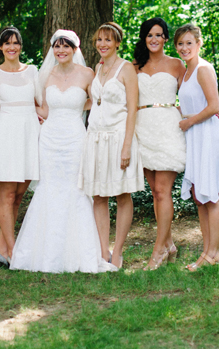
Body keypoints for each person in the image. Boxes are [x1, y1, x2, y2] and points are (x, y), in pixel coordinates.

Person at [11, 30, 110, 273]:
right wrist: (27, 111)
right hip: (49, 140)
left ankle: (81, 253)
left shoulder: (88, 74)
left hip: (76, 138)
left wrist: (79, 107)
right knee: (49, 189)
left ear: (75, 49)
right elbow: (45, 109)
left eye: (66, 46)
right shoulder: (46, 74)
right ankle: (42, 254)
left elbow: (97, 100)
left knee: (75, 189)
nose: (61, 50)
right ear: (53, 50)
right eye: (57, 46)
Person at [78, 22, 143, 270]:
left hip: (118, 138)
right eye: (99, 40)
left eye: (108, 40)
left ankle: (118, 251)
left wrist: (126, 147)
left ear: (117, 42)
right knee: (99, 196)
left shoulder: (126, 69)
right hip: (95, 137)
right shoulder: (99, 67)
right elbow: (95, 102)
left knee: (122, 194)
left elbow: (132, 109)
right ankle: (103, 250)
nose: (102, 44)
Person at [175, 22, 219, 271]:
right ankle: (208, 252)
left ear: (199, 44)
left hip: (207, 136)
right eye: (180, 43)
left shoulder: (203, 68)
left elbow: (213, 105)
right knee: (200, 197)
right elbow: (191, 104)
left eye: (189, 42)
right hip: (194, 135)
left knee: (211, 196)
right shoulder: (186, 71)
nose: (184, 47)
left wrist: (189, 122)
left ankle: (212, 253)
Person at [132, 18, 186, 270]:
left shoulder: (177, 65)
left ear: (166, 38)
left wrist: (210, 111)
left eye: (159, 34)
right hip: (143, 129)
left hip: (167, 127)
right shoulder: (135, 66)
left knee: (163, 191)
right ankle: (170, 244)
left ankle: (157, 252)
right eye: (149, 35)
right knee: (155, 191)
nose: (154, 39)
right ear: (144, 38)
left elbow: (189, 94)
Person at [0, 27, 40, 268]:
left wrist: (35, 116)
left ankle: (1, 250)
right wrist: (13, 116)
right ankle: (12, 250)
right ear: (1, 47)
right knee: (7, 195)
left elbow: (41, 103)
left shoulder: (32, 71)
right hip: (8, 134)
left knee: (19, 195)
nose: (12, 47)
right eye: (7, 43)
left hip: (30, 134)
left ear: (21, 45)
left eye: (16, 42)